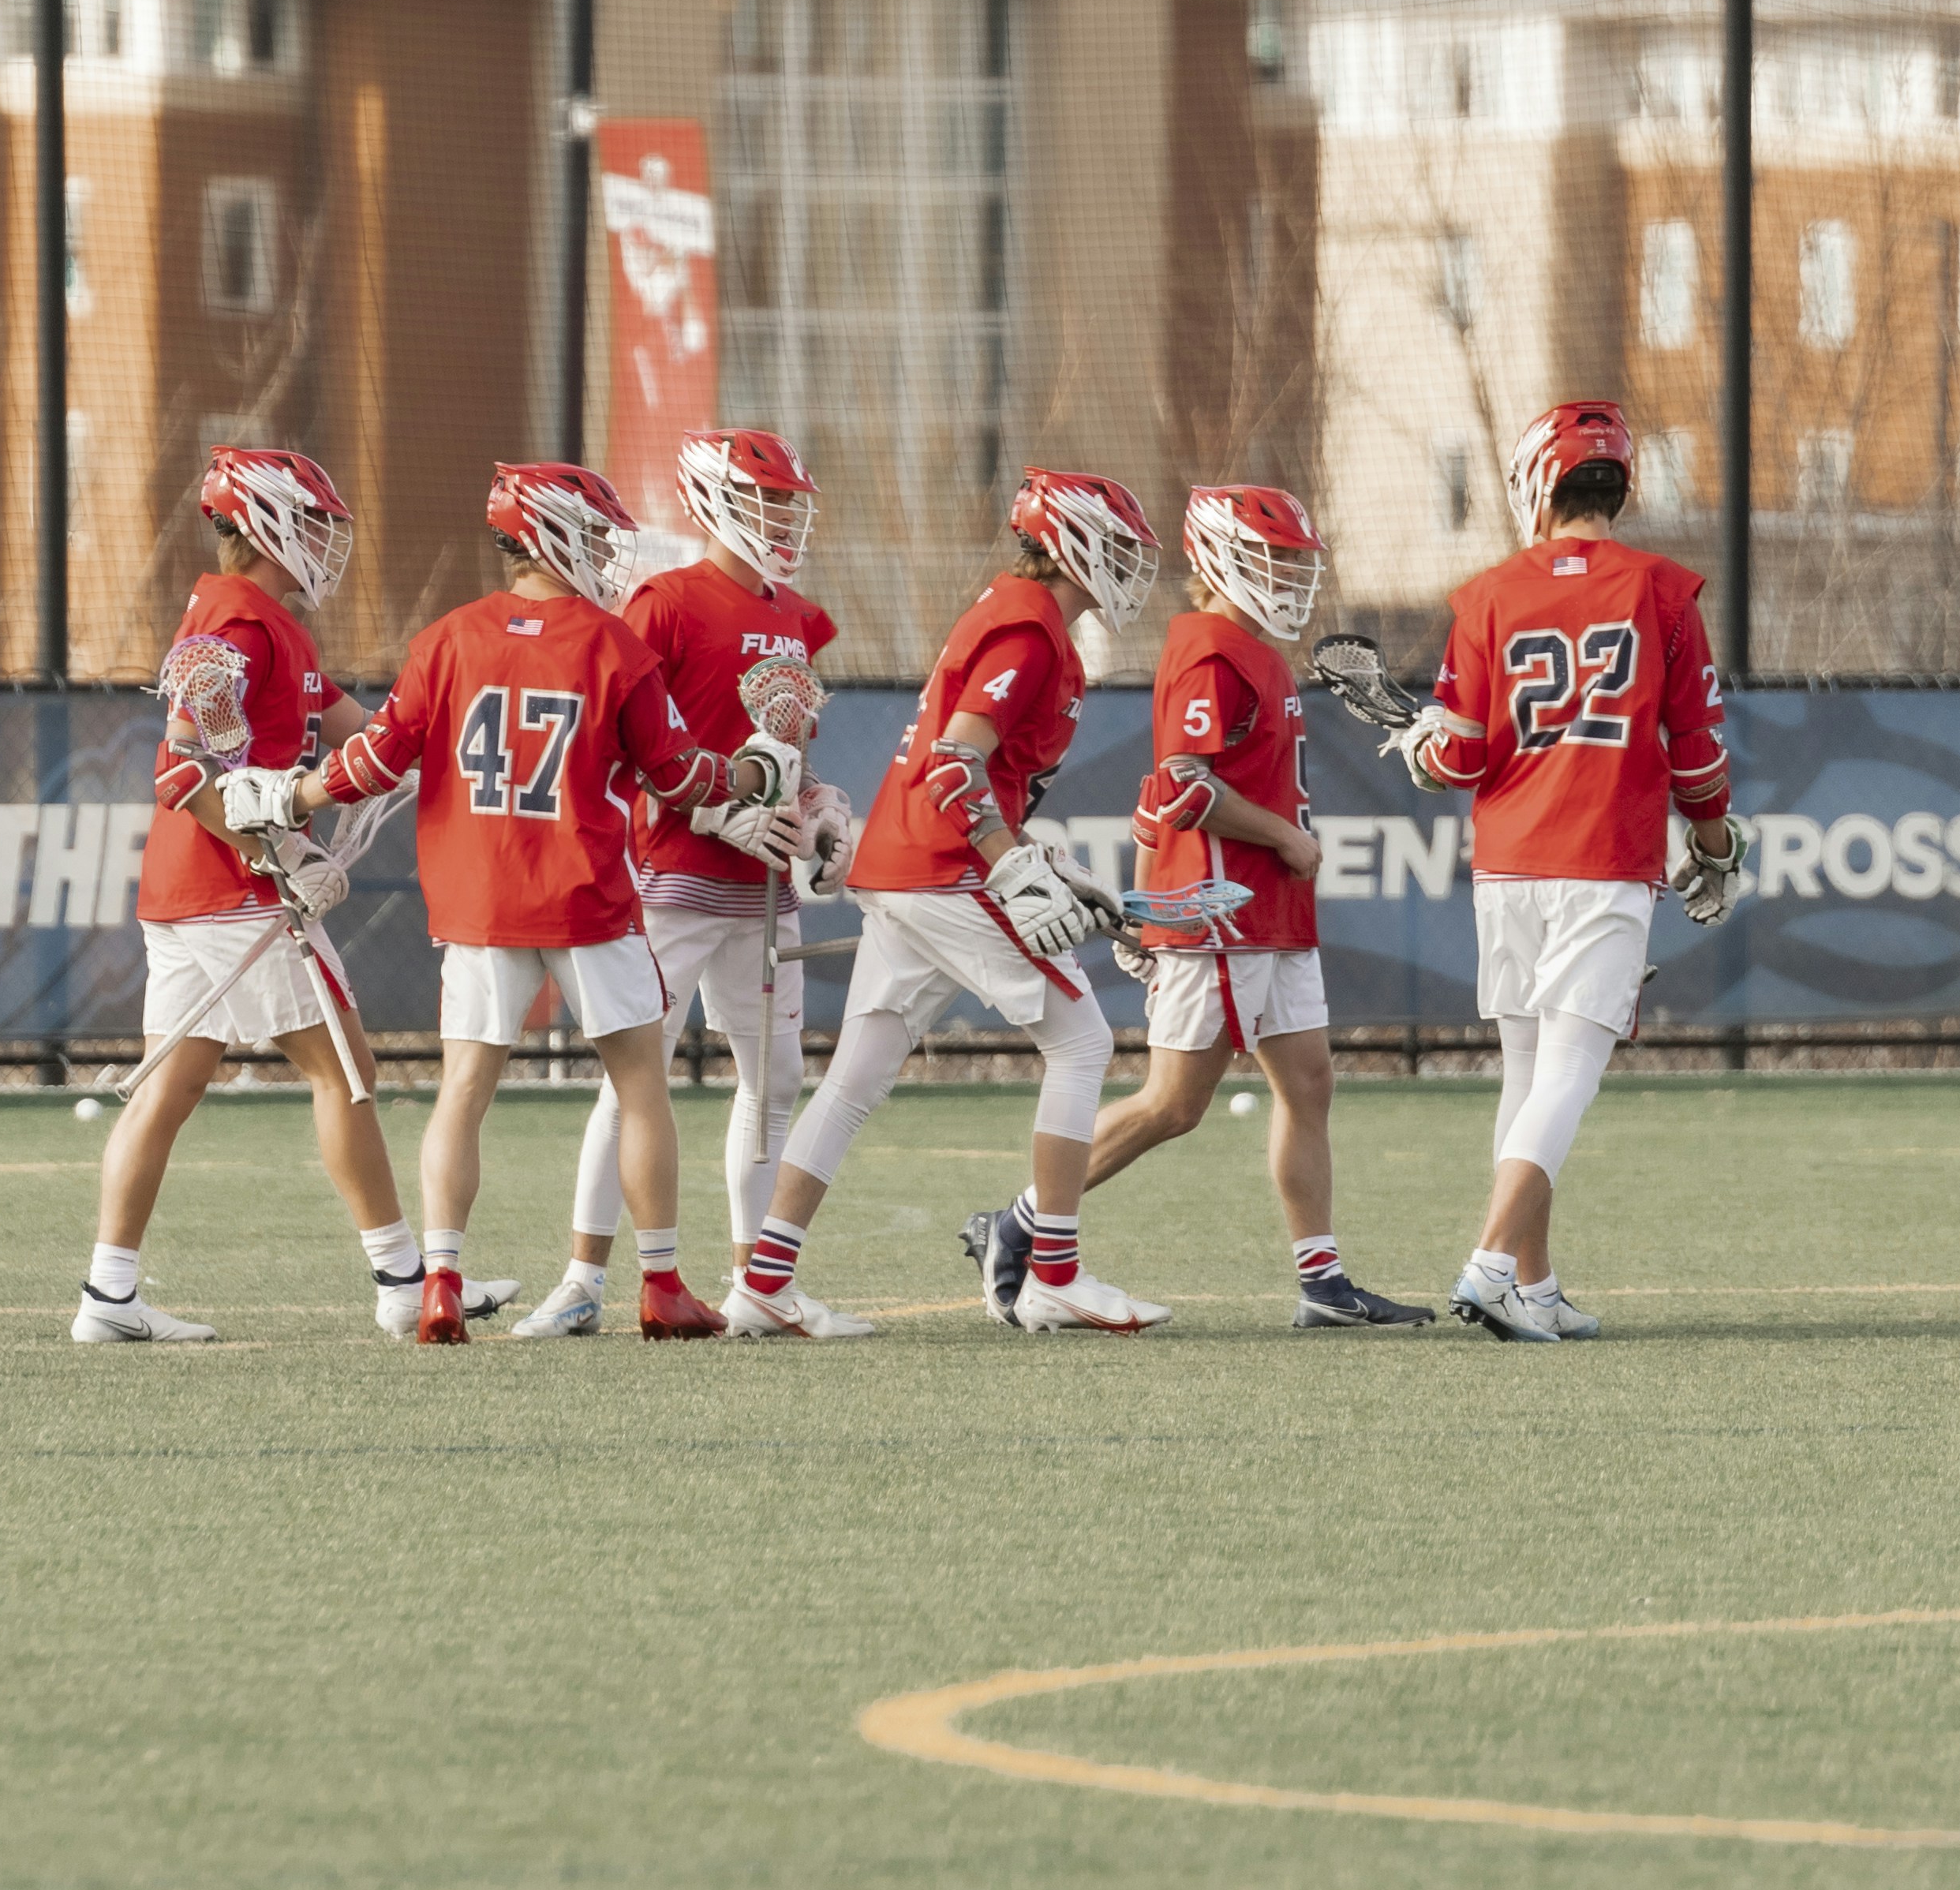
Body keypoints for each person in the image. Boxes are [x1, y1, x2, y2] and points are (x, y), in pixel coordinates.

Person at [241, 462, 798, 1343]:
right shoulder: (613, 646)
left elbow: (375, 762)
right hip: (584, 895)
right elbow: (681, 776)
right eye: (600, 535)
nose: (611, 554)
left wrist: (285, 800)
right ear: (555, 532)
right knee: (640, 1083)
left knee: (462, 1090)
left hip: (479, 899)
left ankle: (441, 1282)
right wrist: (757, 769)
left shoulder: (449, 637)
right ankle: (659, 1283)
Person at [72, 446, 513, 1346]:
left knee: (170, 1084)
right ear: (269, 523)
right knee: (345, 1069)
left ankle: (107, 1294)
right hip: (230, 889)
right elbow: (182, 770)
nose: (323, 540)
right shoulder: (239, 624)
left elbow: (372, 733)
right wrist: (273, 857)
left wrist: (466, 716)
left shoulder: (266, 621)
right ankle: (400, 1279)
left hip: (191, 888)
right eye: (308, 522)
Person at [966, 486, 1434, 1331]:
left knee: (1308, 1084)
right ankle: (1022, 1218)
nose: (1287, 576)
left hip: (1268, 916)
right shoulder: (1211, 648)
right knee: (1172, 1103)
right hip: (1221, 913)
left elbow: (1158, 796)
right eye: (1271, 559)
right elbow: (1183, 782)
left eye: (1294, 561)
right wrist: (1279, 840)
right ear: (1219, 560)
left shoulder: (1249, 649)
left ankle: (1321, 1283)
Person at [726, 469, 1169, 1341]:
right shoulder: (1028, 628)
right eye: (1111, 544)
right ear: (1072, 540)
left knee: (852, 1081)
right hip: (943, 864)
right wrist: (1008, 863)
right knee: (1080, 1040)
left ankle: (763, 1282)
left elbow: (974, 770)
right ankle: (1054, 1274)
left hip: (912, 863)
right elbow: (956, 763)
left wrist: (1031, 854)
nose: (1123, 563)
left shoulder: (1021, 618)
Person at [1393, 402, 1742, 1343]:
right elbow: (1699, 753)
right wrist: (1711, 845)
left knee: (1526, 1073)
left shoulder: (1486, 594)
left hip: (1507, 862)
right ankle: (1490, 1261)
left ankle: (1532, 1288)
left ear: (1535, 485)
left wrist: (1424, 750)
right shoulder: (1662, 591)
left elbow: (1455, 761)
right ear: (1619, 486)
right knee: (1570, 1072)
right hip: (1602, 857)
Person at [518, 428, 848, 1340]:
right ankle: (583, 1277)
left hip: (762, 883)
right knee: (635, 1078)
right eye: (767, 498)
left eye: (788, 501)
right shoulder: (661, 604)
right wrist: (709, 810)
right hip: (673, 874)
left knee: (774, 1077)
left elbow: (787, 753)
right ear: (714, 499)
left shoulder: (792, 613)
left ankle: (757, 1284)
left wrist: (817, 811)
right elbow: (615, 742)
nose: (782, 517)